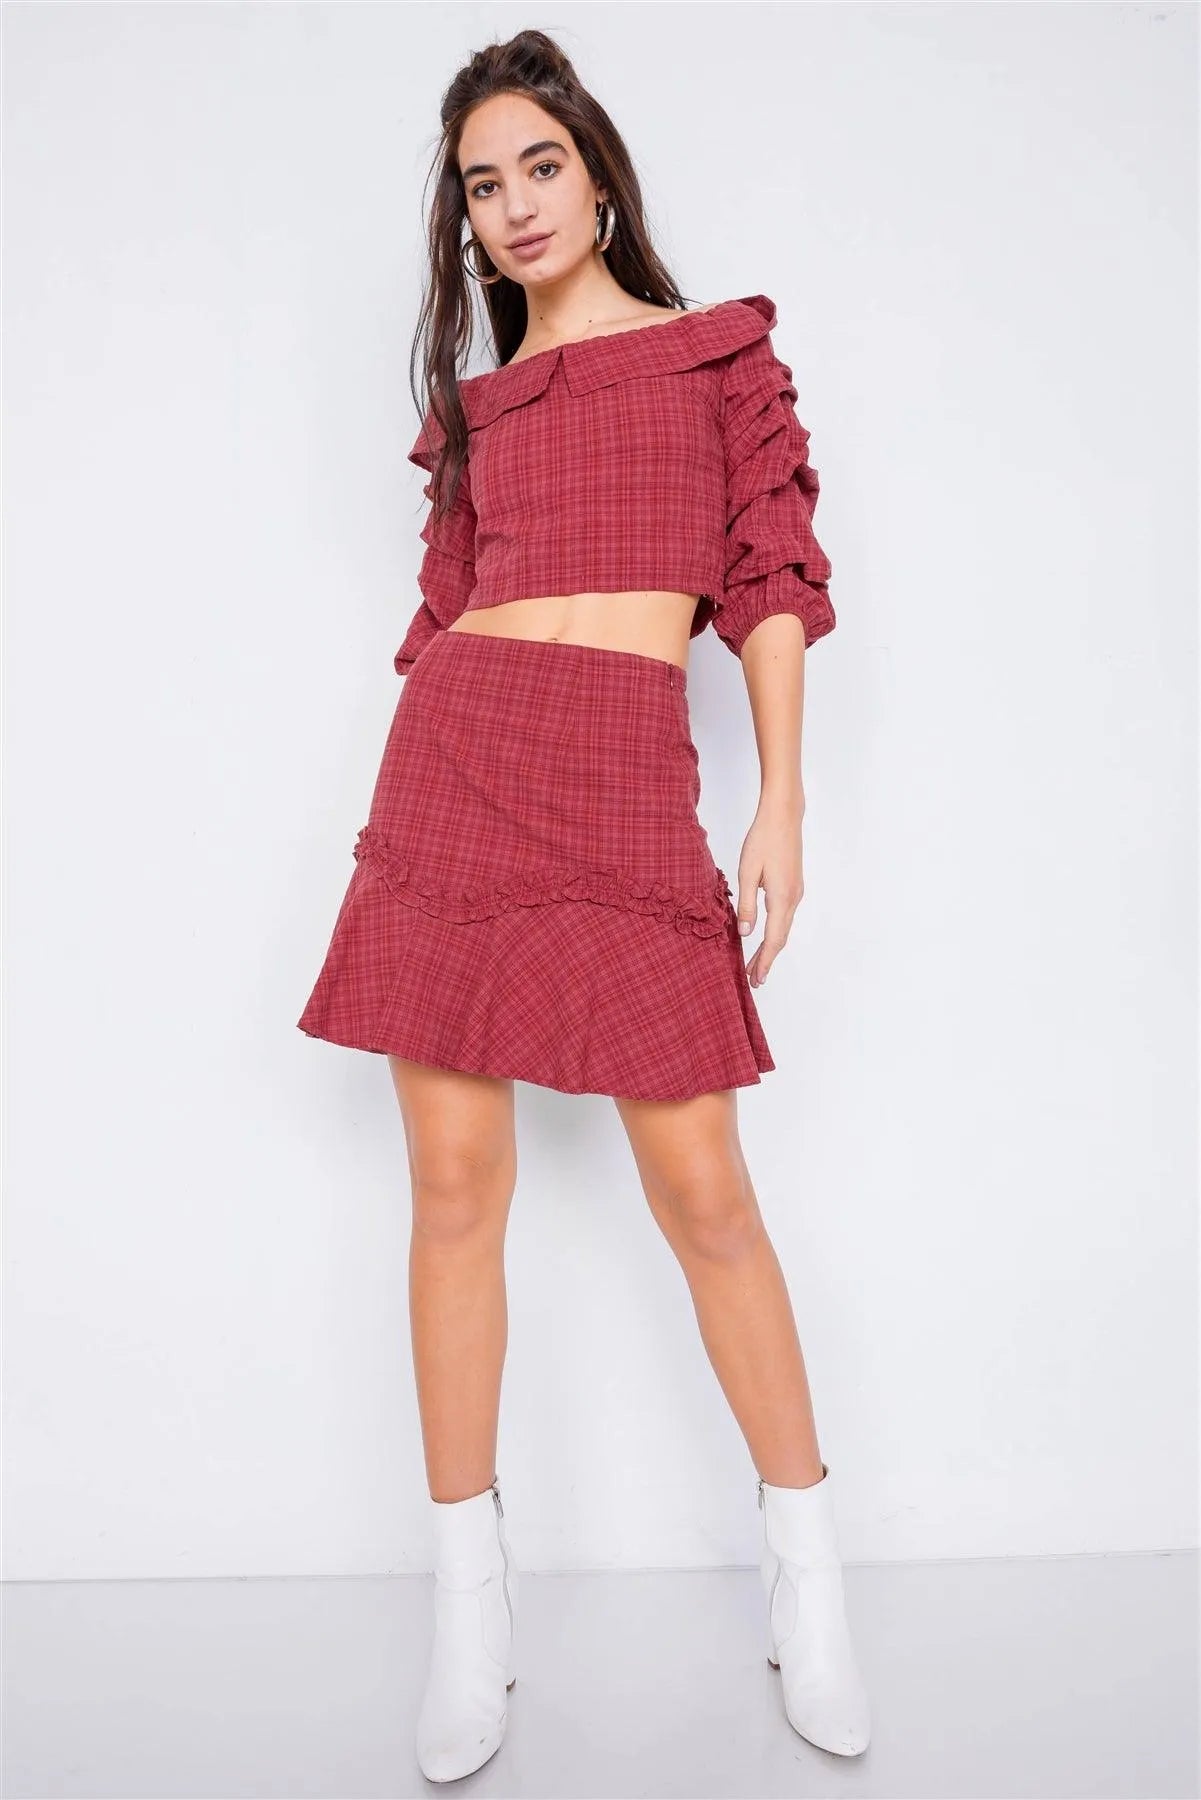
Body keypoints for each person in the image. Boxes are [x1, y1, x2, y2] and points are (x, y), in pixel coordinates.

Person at [297, 27, 870, 1782]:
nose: (517, 204)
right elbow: (446, 611)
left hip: (623, 774)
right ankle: (469, 1615)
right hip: (459, 758)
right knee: (452, 1188)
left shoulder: (714, 359)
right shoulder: (479, 416)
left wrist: (780, 796)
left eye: (539, 165)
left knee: (703, 1191)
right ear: (467, 225)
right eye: (484, 185)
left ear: (598, 178)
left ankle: (810, 1585)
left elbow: (767, 573)